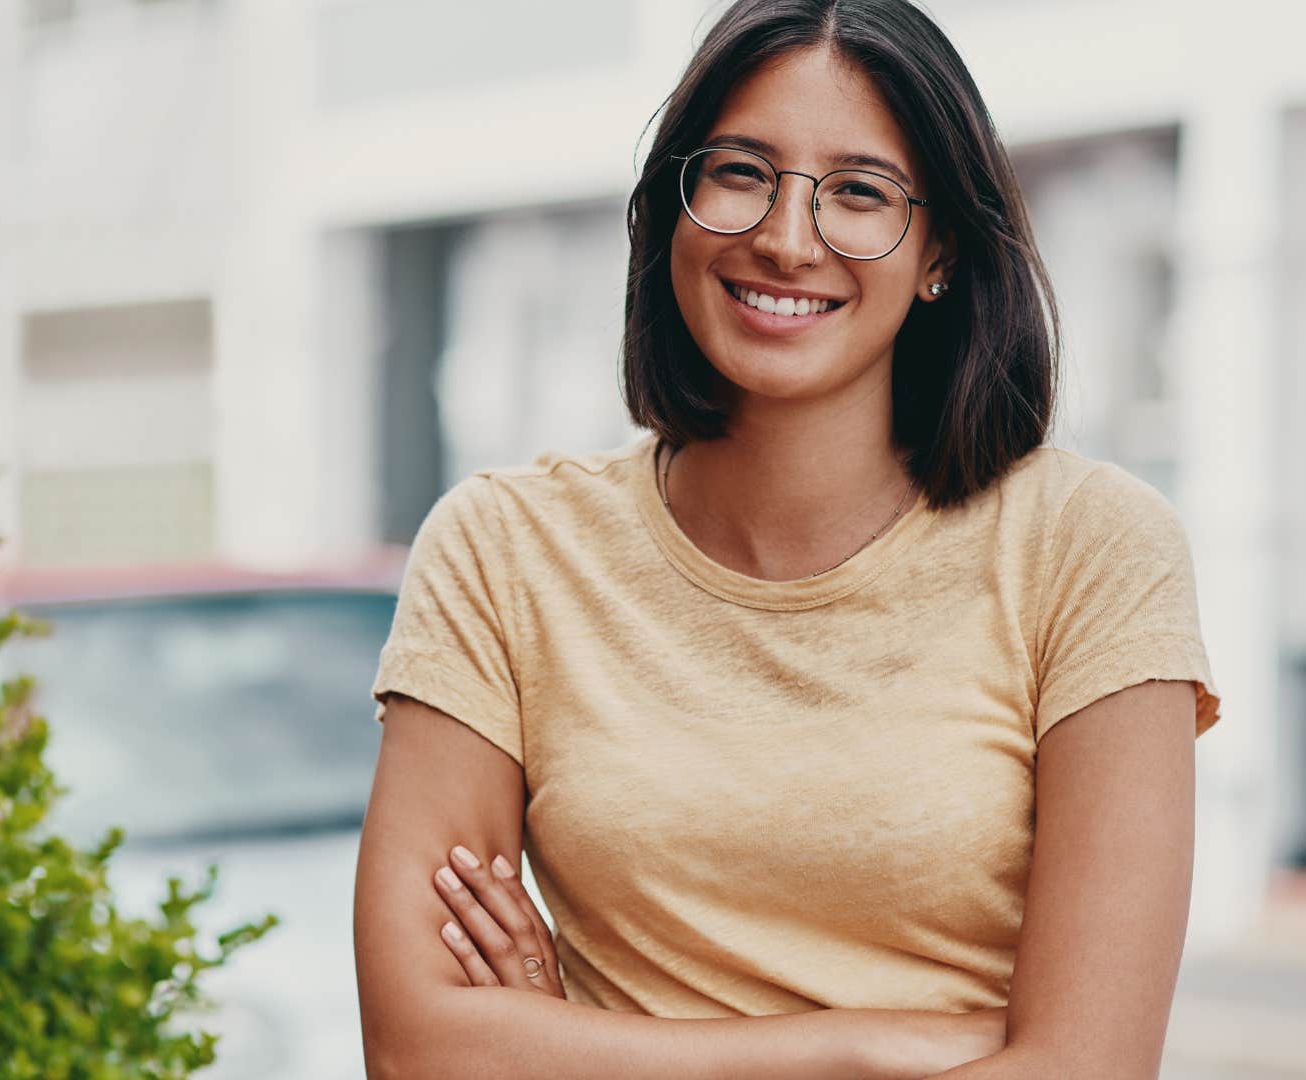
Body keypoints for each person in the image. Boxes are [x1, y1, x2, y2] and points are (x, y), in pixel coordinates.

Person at [352, 1, 1221, 1077]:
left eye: (859, 192)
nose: (785, 237)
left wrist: (581, 1052)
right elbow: (418, 1048)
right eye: (739, 172)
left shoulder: (1091, 550)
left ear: (941, 247)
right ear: (672, 204)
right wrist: (857, 1052)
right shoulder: (503, 549)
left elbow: (1085, 1068)